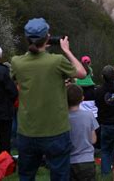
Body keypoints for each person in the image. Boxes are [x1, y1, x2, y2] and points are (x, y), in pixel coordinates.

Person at [11, 18, 86, 180]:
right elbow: (82, 73)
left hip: (27, 131)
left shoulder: (17, 62)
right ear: (47, 38)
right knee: (59, 175)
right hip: (56, 131)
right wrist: (66, 50)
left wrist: (38, 47)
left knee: (26, 176)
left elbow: (22, 69)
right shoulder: (57, 61)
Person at [67, 84, 99, 181]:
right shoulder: (89, 115)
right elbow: (93, 140)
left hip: (68, 161)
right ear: (82, 98)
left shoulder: (63, 118)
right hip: (86, 160)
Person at [94, 65, 114, 176]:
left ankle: (106, 174)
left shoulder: (98, 91)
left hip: (105, 124)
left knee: (105, 150)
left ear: (102, 76)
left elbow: (97, 104)